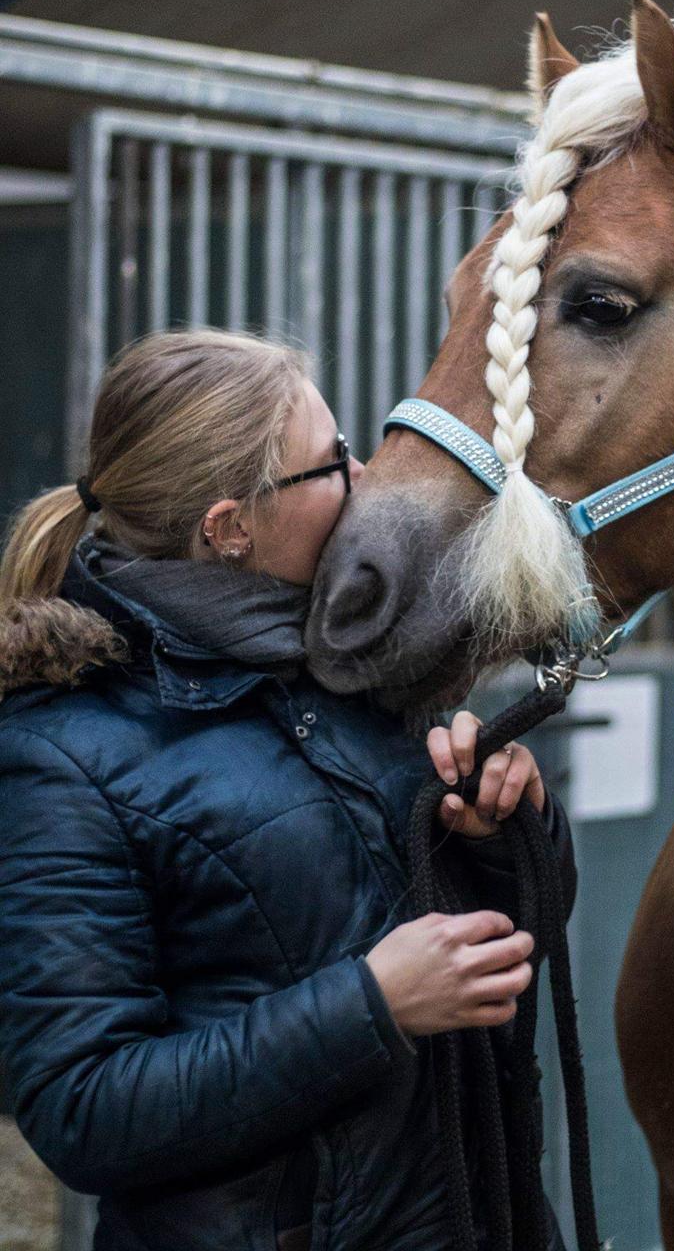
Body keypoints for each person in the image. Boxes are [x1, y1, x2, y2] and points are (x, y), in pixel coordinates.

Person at [0, 328, 576, 1251]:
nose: (364, 481)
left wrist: (504, 833)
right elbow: (83, 1111)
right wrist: (372, 1006)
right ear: (230, 528)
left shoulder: (351, 669)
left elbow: (504, 952)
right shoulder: (61, 756)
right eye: (332, 462)